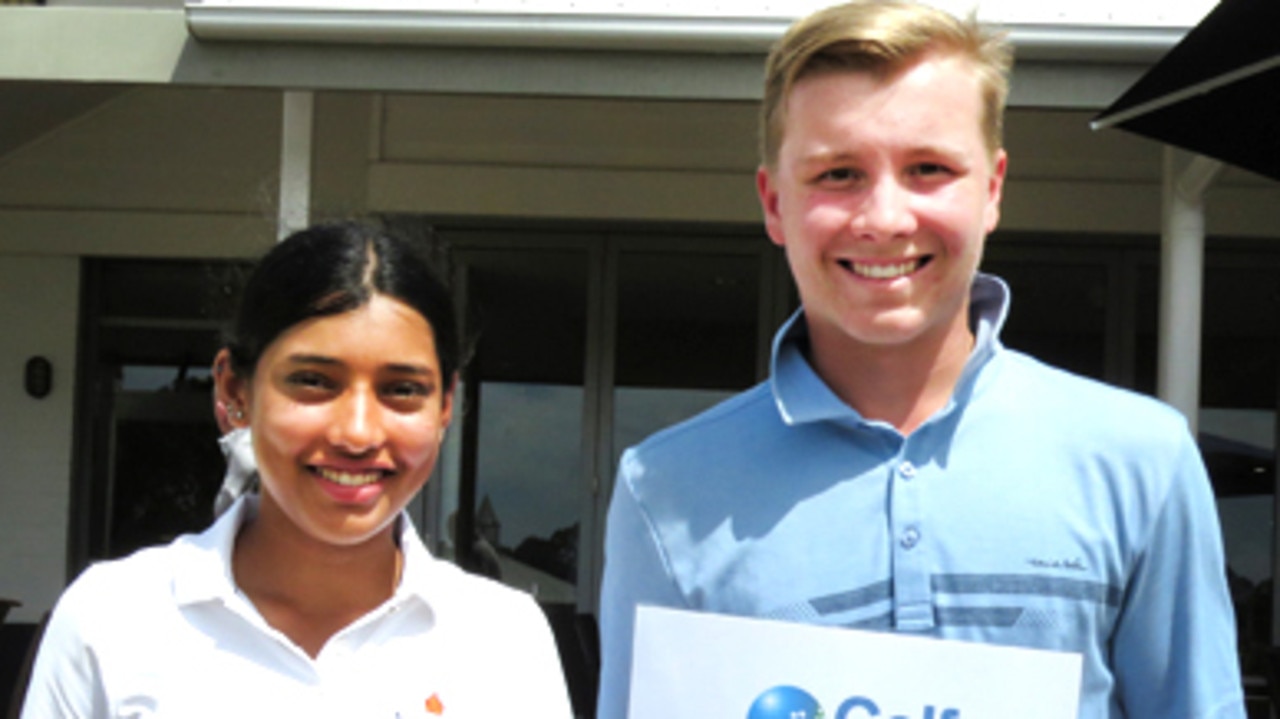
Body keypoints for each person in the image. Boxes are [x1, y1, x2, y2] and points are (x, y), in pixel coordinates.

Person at [597, 2, 1245, 718]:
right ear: (774, 201)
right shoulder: (666, 492)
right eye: (838, 172)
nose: (884, 218)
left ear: (992, 189)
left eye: (928, 168)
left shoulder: (1140, 462)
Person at [21, 221, 574, 718]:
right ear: (235, 390)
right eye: (313, 381)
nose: (357, 433)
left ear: (445, 407)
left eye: (402, 390)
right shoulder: (113, 619)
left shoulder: (504, 640)